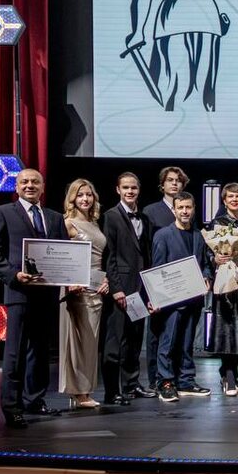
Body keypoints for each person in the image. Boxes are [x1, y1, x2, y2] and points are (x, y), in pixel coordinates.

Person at [0, 168, 69, 428]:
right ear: (16, 186)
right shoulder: (2, 213)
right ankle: (12, 407)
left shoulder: (55, 217)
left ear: (43, 187)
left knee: (40, 352)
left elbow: (64, 253)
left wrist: (69, 277)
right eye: (24, 182)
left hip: (47, 294)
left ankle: (35, 399)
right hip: (19, 293)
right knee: (15, 352)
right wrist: (14, 274)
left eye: (35, 182)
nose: (30, 185)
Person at [150, 192, 212, 402]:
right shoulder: (163, 235)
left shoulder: (198, 235)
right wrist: (157, 298)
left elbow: (205, 263)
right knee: (168, 344)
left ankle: (185, 380)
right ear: (174, 210)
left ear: (193, 209)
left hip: (193, 299)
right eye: (181, 208)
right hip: (171, 301)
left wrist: (206, 277)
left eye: (188, 207)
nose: (185, 211)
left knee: (187, 343)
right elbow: (157, 268)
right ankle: (165, 382)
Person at [100, 172, 154, 404]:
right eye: (126, 187)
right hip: (121, 289)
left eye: (134, 188)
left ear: (139, 190)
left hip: (139, 288)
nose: (130, 191)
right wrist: (116, 288)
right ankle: (112, 391)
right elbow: (109, 256)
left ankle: (131, 385)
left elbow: (146, 256)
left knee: (134, 339)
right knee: (115, 342)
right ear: (118, 190)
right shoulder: (110, 216)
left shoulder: (145, 219)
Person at [59, 178, 108, 409]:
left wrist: (105, 279)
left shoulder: (94, 223)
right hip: (76, 289)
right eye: (80, 195)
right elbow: (60, 256)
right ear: (72, 198)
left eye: (88, 194)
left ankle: (85, 390)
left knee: (90, 343)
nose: (85, 199)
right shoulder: (68, 223)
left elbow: (99, 258)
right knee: (77, 342)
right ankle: (78, 392)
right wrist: (69, 282)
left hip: (96, 288)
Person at [206, 183, 238, 396]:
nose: (235, 200)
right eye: (231, 197)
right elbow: (207, 254)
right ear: (224, 200)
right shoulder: (217, 223)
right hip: (225, 285)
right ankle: (227, 375)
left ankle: (233, 374)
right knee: (227, 329)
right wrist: (215, 259)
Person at [142, 166, 190, 393]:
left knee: (180, 334)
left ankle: (179, 377)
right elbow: (146, 248)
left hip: (184, 283)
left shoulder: (187, 209)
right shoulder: (151, 211)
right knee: (157, 332)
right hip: (159, 278)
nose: (174, 184)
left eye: (178, 180)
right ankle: (156, 379)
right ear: (162, 184)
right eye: (170, 180)